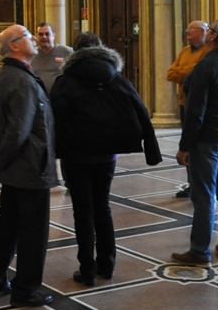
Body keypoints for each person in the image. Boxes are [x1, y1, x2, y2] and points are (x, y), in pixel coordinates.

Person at [50, 32, 161, 286]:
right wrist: (151, 149)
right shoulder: (116, 77)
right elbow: (140, 109)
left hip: (76, 155)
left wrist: (50, 152)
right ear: (101, 49)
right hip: (107, 154)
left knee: (83, 212)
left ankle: (87, 270)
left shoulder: (66, 81)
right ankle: (107, 264)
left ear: (75, 53)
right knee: (102, 207)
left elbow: (52, 117)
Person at [0, 24, 57, 308]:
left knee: (8, 226)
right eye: (27, 35)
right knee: (33, 232)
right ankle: (25, 290)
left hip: (13, 167)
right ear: (14, 45)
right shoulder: (22, 80)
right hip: (30, 167)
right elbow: (19, 129)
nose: (35, 38)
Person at [172, 18, 218, 266]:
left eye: (210, 30)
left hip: (207, 139)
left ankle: (199, 250)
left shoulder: (205, 65)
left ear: (213, 37)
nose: (207, 33)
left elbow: (195, 112)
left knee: (203, 196)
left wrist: (184, 147)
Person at [166, 20, 210, 198]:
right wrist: (188, 71)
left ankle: (202, 185)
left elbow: (199, 71)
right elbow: (170, 74)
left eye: (191, 29)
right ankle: (192, 184)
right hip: (184, 102)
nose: (187, 32)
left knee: (199, 146)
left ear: (203, 32)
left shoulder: (207, 51)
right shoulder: (185, 51)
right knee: (188, 145)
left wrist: (182, 71)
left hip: (199, 103)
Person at [31, 22, 72, 93]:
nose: (44, 37)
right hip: (38, 96)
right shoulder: (32, 53)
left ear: (53, 35)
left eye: (47, 34)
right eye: (40, 34)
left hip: (61, 96)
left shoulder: (67, 51)